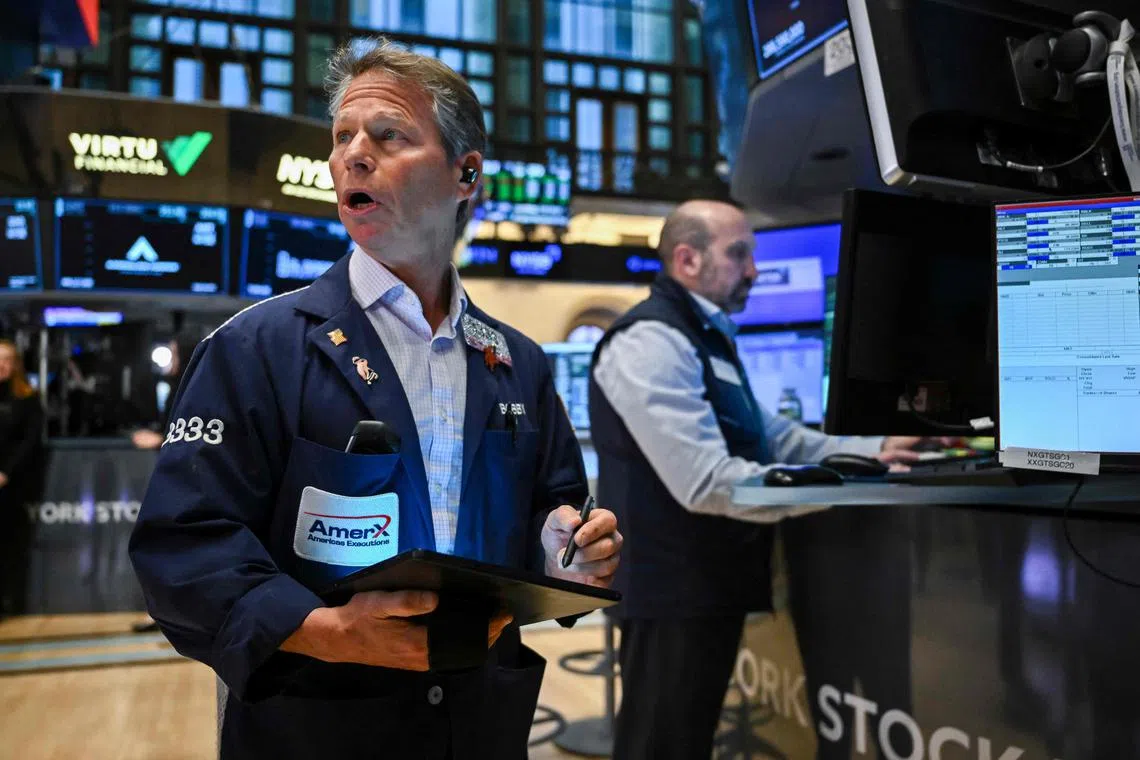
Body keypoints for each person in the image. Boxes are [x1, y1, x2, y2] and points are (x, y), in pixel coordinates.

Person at [129, 38, 621, 760]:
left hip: (478, 726)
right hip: (317, 729)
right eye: (343, 138)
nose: (352, 156)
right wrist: (328, 631)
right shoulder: (256, 348)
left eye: (389, 135)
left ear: (467, 174)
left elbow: (552, 511)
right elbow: (184, 547)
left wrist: (566, 553)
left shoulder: (520, 363)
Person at [588, 200, 937, 759]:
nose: (753, 269)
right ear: (687, 259)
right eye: (739, 254)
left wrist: (874, 450)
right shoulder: (650, 343)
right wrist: (832, 487)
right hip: (671, 593)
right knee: (663, 745)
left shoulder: (706, 339)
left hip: (706, 589)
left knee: (687, 742)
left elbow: (773, 435)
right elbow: (706, 481)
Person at [0, 339, 44, 617]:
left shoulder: (27, 398)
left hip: (11, 485)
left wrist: (5, 471)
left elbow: (29, 441)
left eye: (6, 359)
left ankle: (7, 603)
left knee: (9, 547)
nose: (1, 365)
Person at [130, 331, 200, 450]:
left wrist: (160, 440)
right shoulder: (176, 389)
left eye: (174, 355)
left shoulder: (195, 394)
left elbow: (193, 437)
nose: (171, 361)